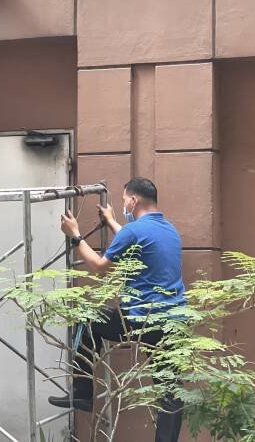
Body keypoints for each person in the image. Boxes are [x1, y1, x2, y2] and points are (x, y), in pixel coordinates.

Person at [50, 177, 184, 442]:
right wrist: (111, 221)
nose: (124, 205)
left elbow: (100, 267)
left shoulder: (133, 231)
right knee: (169, 391)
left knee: (87, 320)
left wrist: (75, 235)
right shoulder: (169, 230)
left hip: (142, 319)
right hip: (173, 320)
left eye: (124, 200)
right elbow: (136, 241)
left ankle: (82, 393)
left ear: (133, 200)